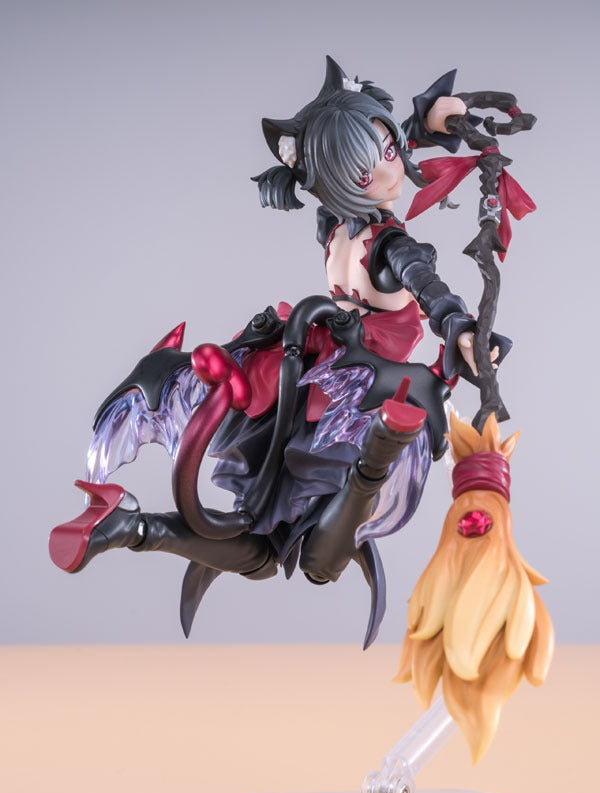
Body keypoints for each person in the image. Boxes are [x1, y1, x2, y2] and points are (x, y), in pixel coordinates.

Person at [49, 57, 508, 646]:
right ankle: (379, 445)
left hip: (318, 370)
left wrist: (423, 124)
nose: (391, 169)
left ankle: (128, 525)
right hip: (353, 388)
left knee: (264, 547)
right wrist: (459, 328)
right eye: (364, 168)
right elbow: (430, 288)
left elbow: (388, 198)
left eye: (391, 149)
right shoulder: (387, 244)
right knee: (313, 561)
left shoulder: (335, 225)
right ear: (337, 181)